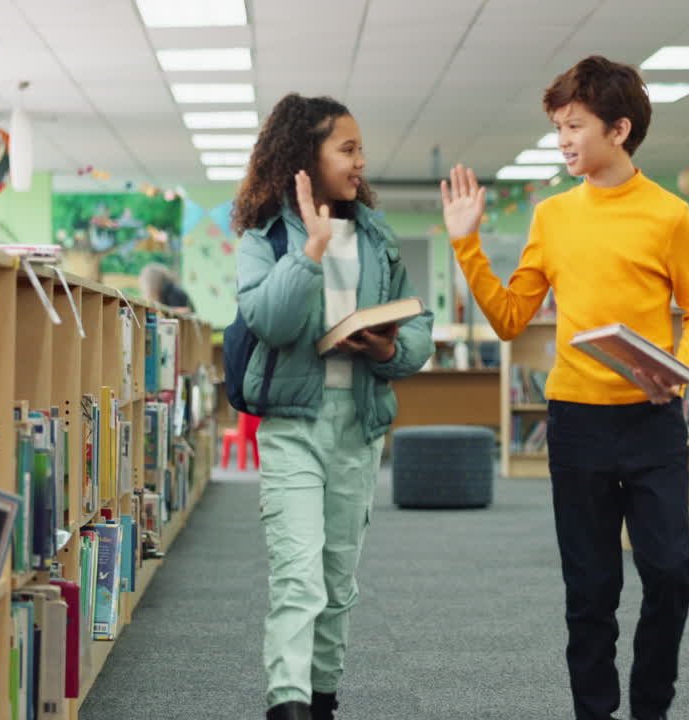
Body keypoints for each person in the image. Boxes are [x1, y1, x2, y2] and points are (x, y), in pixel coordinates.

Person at [441, 56, 689, 720]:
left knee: (672, 571)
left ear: (618, 129)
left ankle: (650, 705)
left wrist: (677, 368)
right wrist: (467, 246)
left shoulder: (670, 214)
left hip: (653, 422)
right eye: (558, 128)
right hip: (577, 422)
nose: (563, 140)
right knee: (591, 593)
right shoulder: (554, 216)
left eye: (574, 126)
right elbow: (511, 319)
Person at [234, 93, 434, 720]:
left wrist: (388, 346)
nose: (360, 161)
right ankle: (286, 704)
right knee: (299, 577)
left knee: (338, 582)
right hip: (293, 426)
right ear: (305, 157)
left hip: (358, 426)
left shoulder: (378, 236)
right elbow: (269, 318)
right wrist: (310, 252)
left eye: (359, 149)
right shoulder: (264, 236)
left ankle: (322, 698)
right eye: (347, 149)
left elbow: (418, 328)